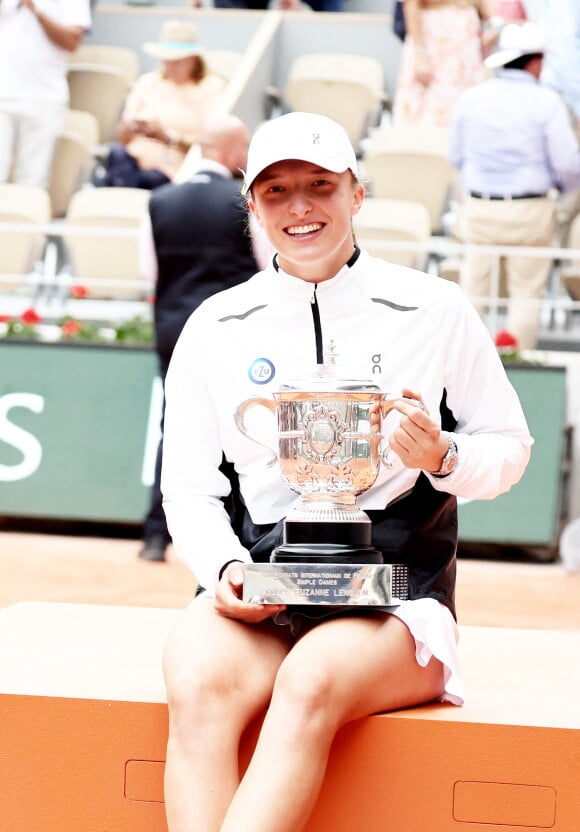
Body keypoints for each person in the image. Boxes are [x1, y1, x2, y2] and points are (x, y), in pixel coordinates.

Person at [160, 110, 533, 832]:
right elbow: (189, 485)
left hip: (396, 592)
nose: (299, 208)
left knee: (308, 682)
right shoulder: (216, 324)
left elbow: (509, 447)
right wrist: (226, 570)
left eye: (320, 185)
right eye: (276, 192)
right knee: (198, 682)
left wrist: (445, 457)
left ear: (356, 193)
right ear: (251, 208)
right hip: (259, 582)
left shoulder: (434, 307)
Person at [138, 113, 268, 562]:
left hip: (174, 326)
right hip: (237, 329)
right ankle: (236, 534)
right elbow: (266, 268)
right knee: (247, 426)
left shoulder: (159, 200)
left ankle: (156, 536)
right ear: (231, 151)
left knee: (173, 426)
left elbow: (149, 275)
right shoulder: (243, 202)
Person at [449, 21, 580, 349]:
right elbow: (568, 165)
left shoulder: (471, 98)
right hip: (530, 209)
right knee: (526, 295)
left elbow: (454, 155)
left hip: (480, 207)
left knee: (473, 292)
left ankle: (465, 369)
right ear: (534, 61)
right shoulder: (546, 102)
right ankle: (517, 365)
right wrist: (560, 188)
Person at [99, 21, 226, 190]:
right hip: (130, 158)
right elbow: (122, 136)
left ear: (193, 60)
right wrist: (133, 128)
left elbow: (209, 141)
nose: (170, 65)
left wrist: (167, 137)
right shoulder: (148, 82)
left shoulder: (210, 88)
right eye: (166, 60)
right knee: (117, 154)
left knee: (130, 179)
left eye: (177, 61)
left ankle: (123, 193)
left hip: (172, 168)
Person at [0, 0, 91, 188]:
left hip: (44, 98)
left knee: (32, 180)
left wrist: (36, 10)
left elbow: (71, 42)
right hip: (3, 95)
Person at [392, 0, 504, 128]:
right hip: (434, 41)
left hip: (466, 46)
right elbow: (411, 6)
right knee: (430, 107)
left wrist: (495, 25)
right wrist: (420, 54)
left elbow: (487, 8)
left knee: (466, 103)